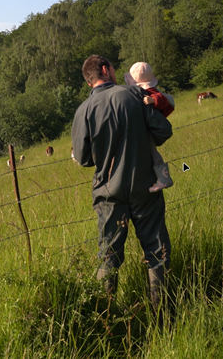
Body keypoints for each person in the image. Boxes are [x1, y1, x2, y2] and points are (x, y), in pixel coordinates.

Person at [70, 55, 173, 316]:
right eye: (114, 68)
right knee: (156, 248)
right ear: (105, 69)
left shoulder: (83, 111)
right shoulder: (134, 95)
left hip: (108, 192)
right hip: (145, 186)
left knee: (108, 255)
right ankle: (163, 315)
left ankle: (105, 319)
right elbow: (163, 131)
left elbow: (83, 159)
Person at [123, 62, 175, 193]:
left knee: (152, 151)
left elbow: (161, 98)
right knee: (149, 151)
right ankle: (159, 178)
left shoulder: (150, 92)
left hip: (148, 129)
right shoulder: (142, 91)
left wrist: (152, 100)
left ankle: (163, 179)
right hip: (146, 128)